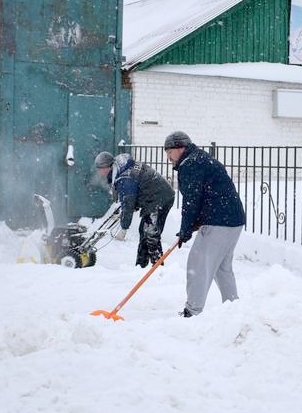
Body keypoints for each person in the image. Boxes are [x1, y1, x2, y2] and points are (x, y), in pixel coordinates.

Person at [164, 131, 246, 317]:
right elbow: (206, 194)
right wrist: (195, 222)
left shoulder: (190, 164)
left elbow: (192, 200)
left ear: (180, 148)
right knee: (221, 268)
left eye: (169, 152)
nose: (168, 157)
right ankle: (233, 309)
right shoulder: (199, 159)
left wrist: (185, 229)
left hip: (219, 220)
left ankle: (192, 311)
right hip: (233, 219)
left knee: (198, 264)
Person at [94, 150, 175, 267]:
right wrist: (134, 203)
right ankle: (141, 266)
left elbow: (128, 204)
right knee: (144, 231)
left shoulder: (125, 178)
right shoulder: (123, 167)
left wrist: (124, 228)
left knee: (150, 233)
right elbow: (137, 188)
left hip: (160, 197)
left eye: (101, 168)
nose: (100, 172)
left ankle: (157, 268)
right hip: (153, 197)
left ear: (109, 166)